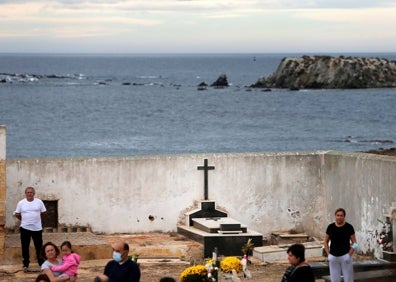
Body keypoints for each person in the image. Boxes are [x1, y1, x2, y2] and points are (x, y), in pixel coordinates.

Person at [14, 186, 47, 271]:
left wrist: (37, 219)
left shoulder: (39, 202)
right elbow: (17, 214)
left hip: (37, 228)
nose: (29, 194)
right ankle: (26, 264)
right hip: (25, 228)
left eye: (31, 192)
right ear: (25, 194)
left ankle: (41, 263)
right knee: (25, 247)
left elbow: (43, 212)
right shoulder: (21, 203)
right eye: (28, 192)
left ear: (34, 193)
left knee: (39, 247)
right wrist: (25, 219)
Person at [324, 208, 358, 282]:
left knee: (348, 279)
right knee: (334, 279)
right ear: (335, 216)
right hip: (333, 257)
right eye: (337, 215)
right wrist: (328, 254)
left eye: (341, 215)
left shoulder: (349, 227)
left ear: (344, 216)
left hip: (345, 257)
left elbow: (355, 243)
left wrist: (349, 255)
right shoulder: (330, 227)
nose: (339, 217)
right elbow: (325, 241)